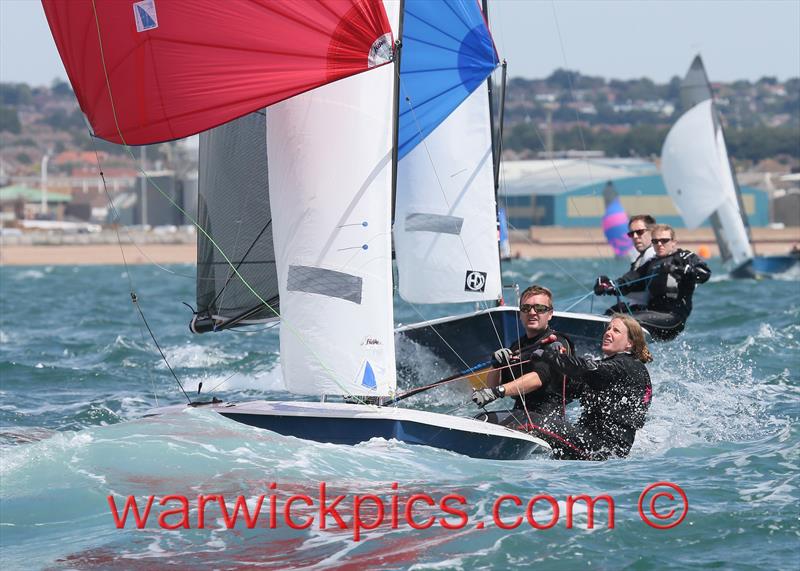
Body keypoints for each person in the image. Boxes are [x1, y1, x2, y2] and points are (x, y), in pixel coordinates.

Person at [525, 314, 653, 461]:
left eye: (616, 331)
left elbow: (588, 369)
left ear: (629, 343)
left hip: (603, 448)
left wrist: (554, 358)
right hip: (599, 445)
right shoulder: (619, 368)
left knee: (530, 421)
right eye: (608, 329)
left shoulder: (628, 365)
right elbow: (572, 388)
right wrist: (551, 363)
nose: (608, 333)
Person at [470, 285, 574, 426]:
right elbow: (492, 386)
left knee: (485, 420)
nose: (532, 312)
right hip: (521, 415)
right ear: (520, 314)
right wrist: (496, 365)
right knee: (480, 419)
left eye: (540, 308)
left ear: (550, 314)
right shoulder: (517, 346)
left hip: (548, 420)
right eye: (526, 308)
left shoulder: (558, 342)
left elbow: (538, 378)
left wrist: (498, 391)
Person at [594, 224, 711, 340]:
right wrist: (608, 285)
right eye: (655, 241)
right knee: (611, 314)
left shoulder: (684, 257)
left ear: (674, 242)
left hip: (672, 318)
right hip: (651, 314)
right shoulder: (651, 264)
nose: (659, 244)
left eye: (664, 241)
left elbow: (704, 273)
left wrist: (677, 270)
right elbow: (629, 282)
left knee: (623, 321)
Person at [596, 214, 656, 313]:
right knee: (611, 312)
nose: (635, 237)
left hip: (648, 311)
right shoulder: (641, 257)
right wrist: (609, 286)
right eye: (631, 234)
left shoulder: (651, 253)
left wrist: (613, 286)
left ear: (653, 232)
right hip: (639, 307)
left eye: (639, 232)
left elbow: (636, 282)